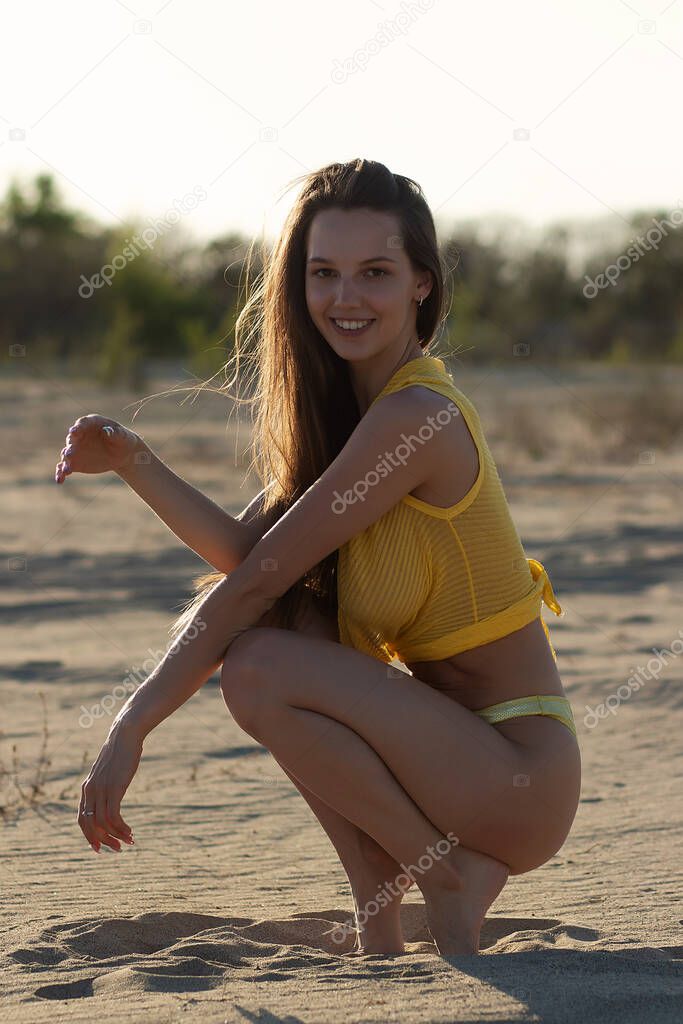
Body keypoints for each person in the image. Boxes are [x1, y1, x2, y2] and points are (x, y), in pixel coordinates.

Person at [54, 157, 581, 957]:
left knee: (262, 659)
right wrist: (135, 461)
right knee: (290, 620)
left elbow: (255, 578)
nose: (344, 297)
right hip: (445, 758)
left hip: (516, 774)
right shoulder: (354, 420)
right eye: (322, 272)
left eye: (374, 272)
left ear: (421, 286)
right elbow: (250, 556)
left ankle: (444, 877)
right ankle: (381, 895)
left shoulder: (416, 416)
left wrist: (132, 726)